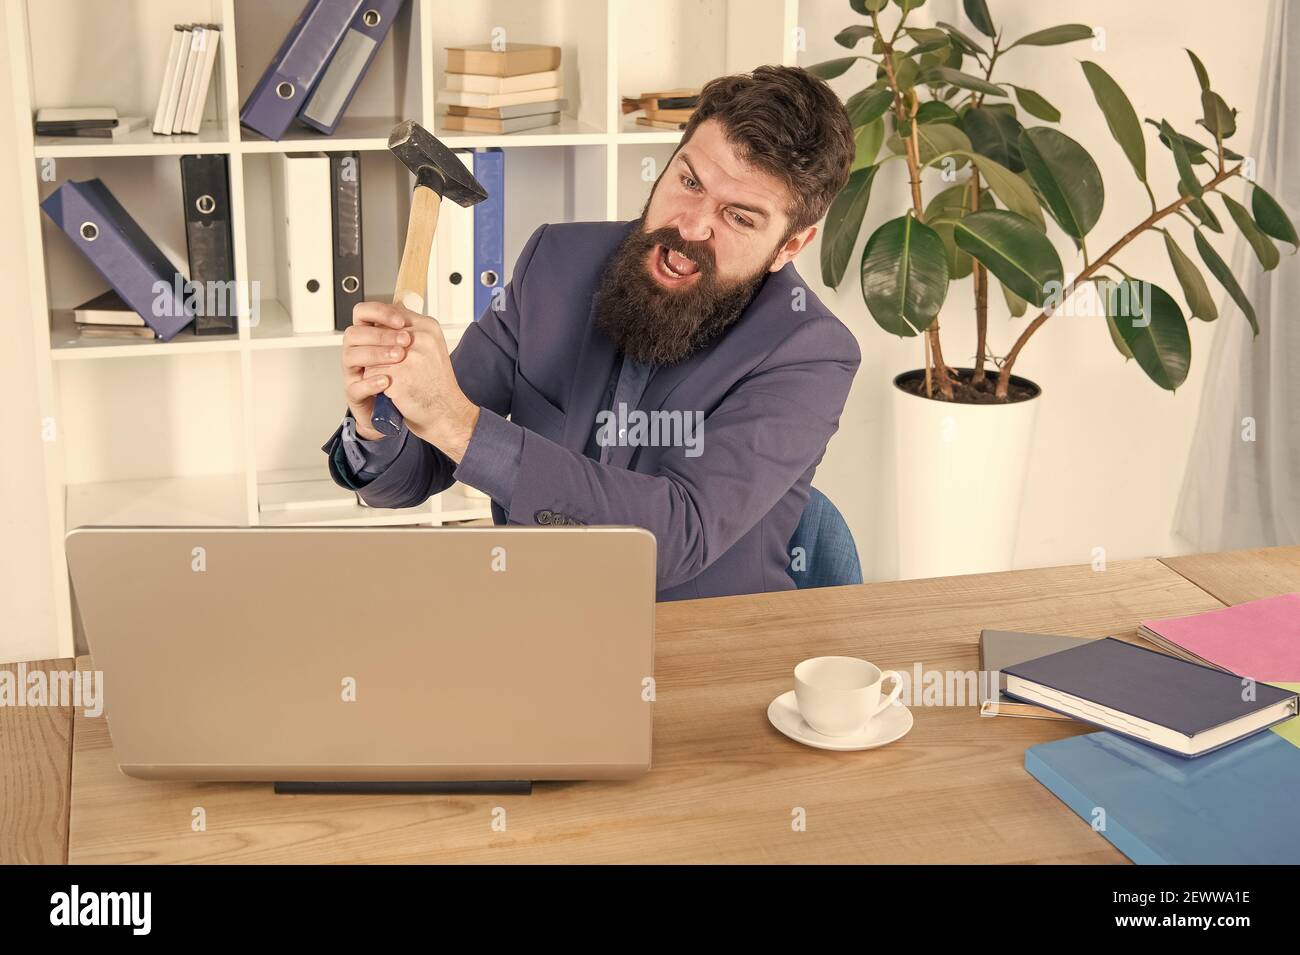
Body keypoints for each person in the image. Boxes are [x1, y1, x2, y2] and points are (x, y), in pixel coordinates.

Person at [321, 65, 860, 601]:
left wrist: (456, 423)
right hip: (535, 618)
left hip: (701, 643)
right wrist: (381, 424)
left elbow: (676, 538)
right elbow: (413, 475)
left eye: (739, 218)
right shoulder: (555, 261)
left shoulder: (809, 353)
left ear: (790, 245)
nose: (691, 227)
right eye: (689, 182)